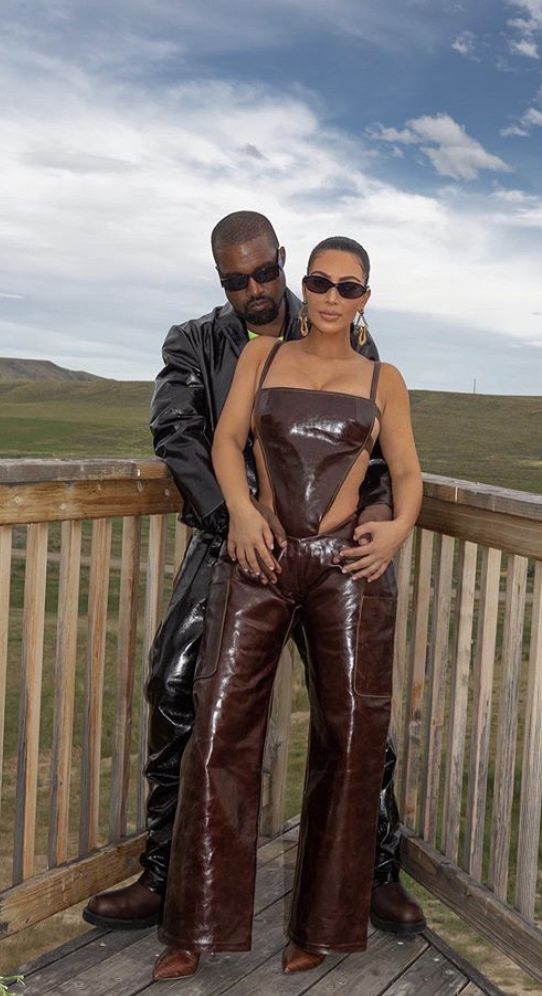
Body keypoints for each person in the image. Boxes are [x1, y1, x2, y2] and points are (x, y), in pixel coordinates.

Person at [83, 212, 425, 937]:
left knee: (357, 711)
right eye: (236, 280)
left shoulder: (346, 330)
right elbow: (180, 433)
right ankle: (166, 874)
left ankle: (371, 871)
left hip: (331, 556)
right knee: (177, 685)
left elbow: (380, 451)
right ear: (221, 280)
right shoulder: (194, 342)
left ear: (283, 261)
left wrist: (382, 521)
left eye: (264, 271)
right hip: (229, 541)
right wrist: (236, 522)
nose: (255, 289)